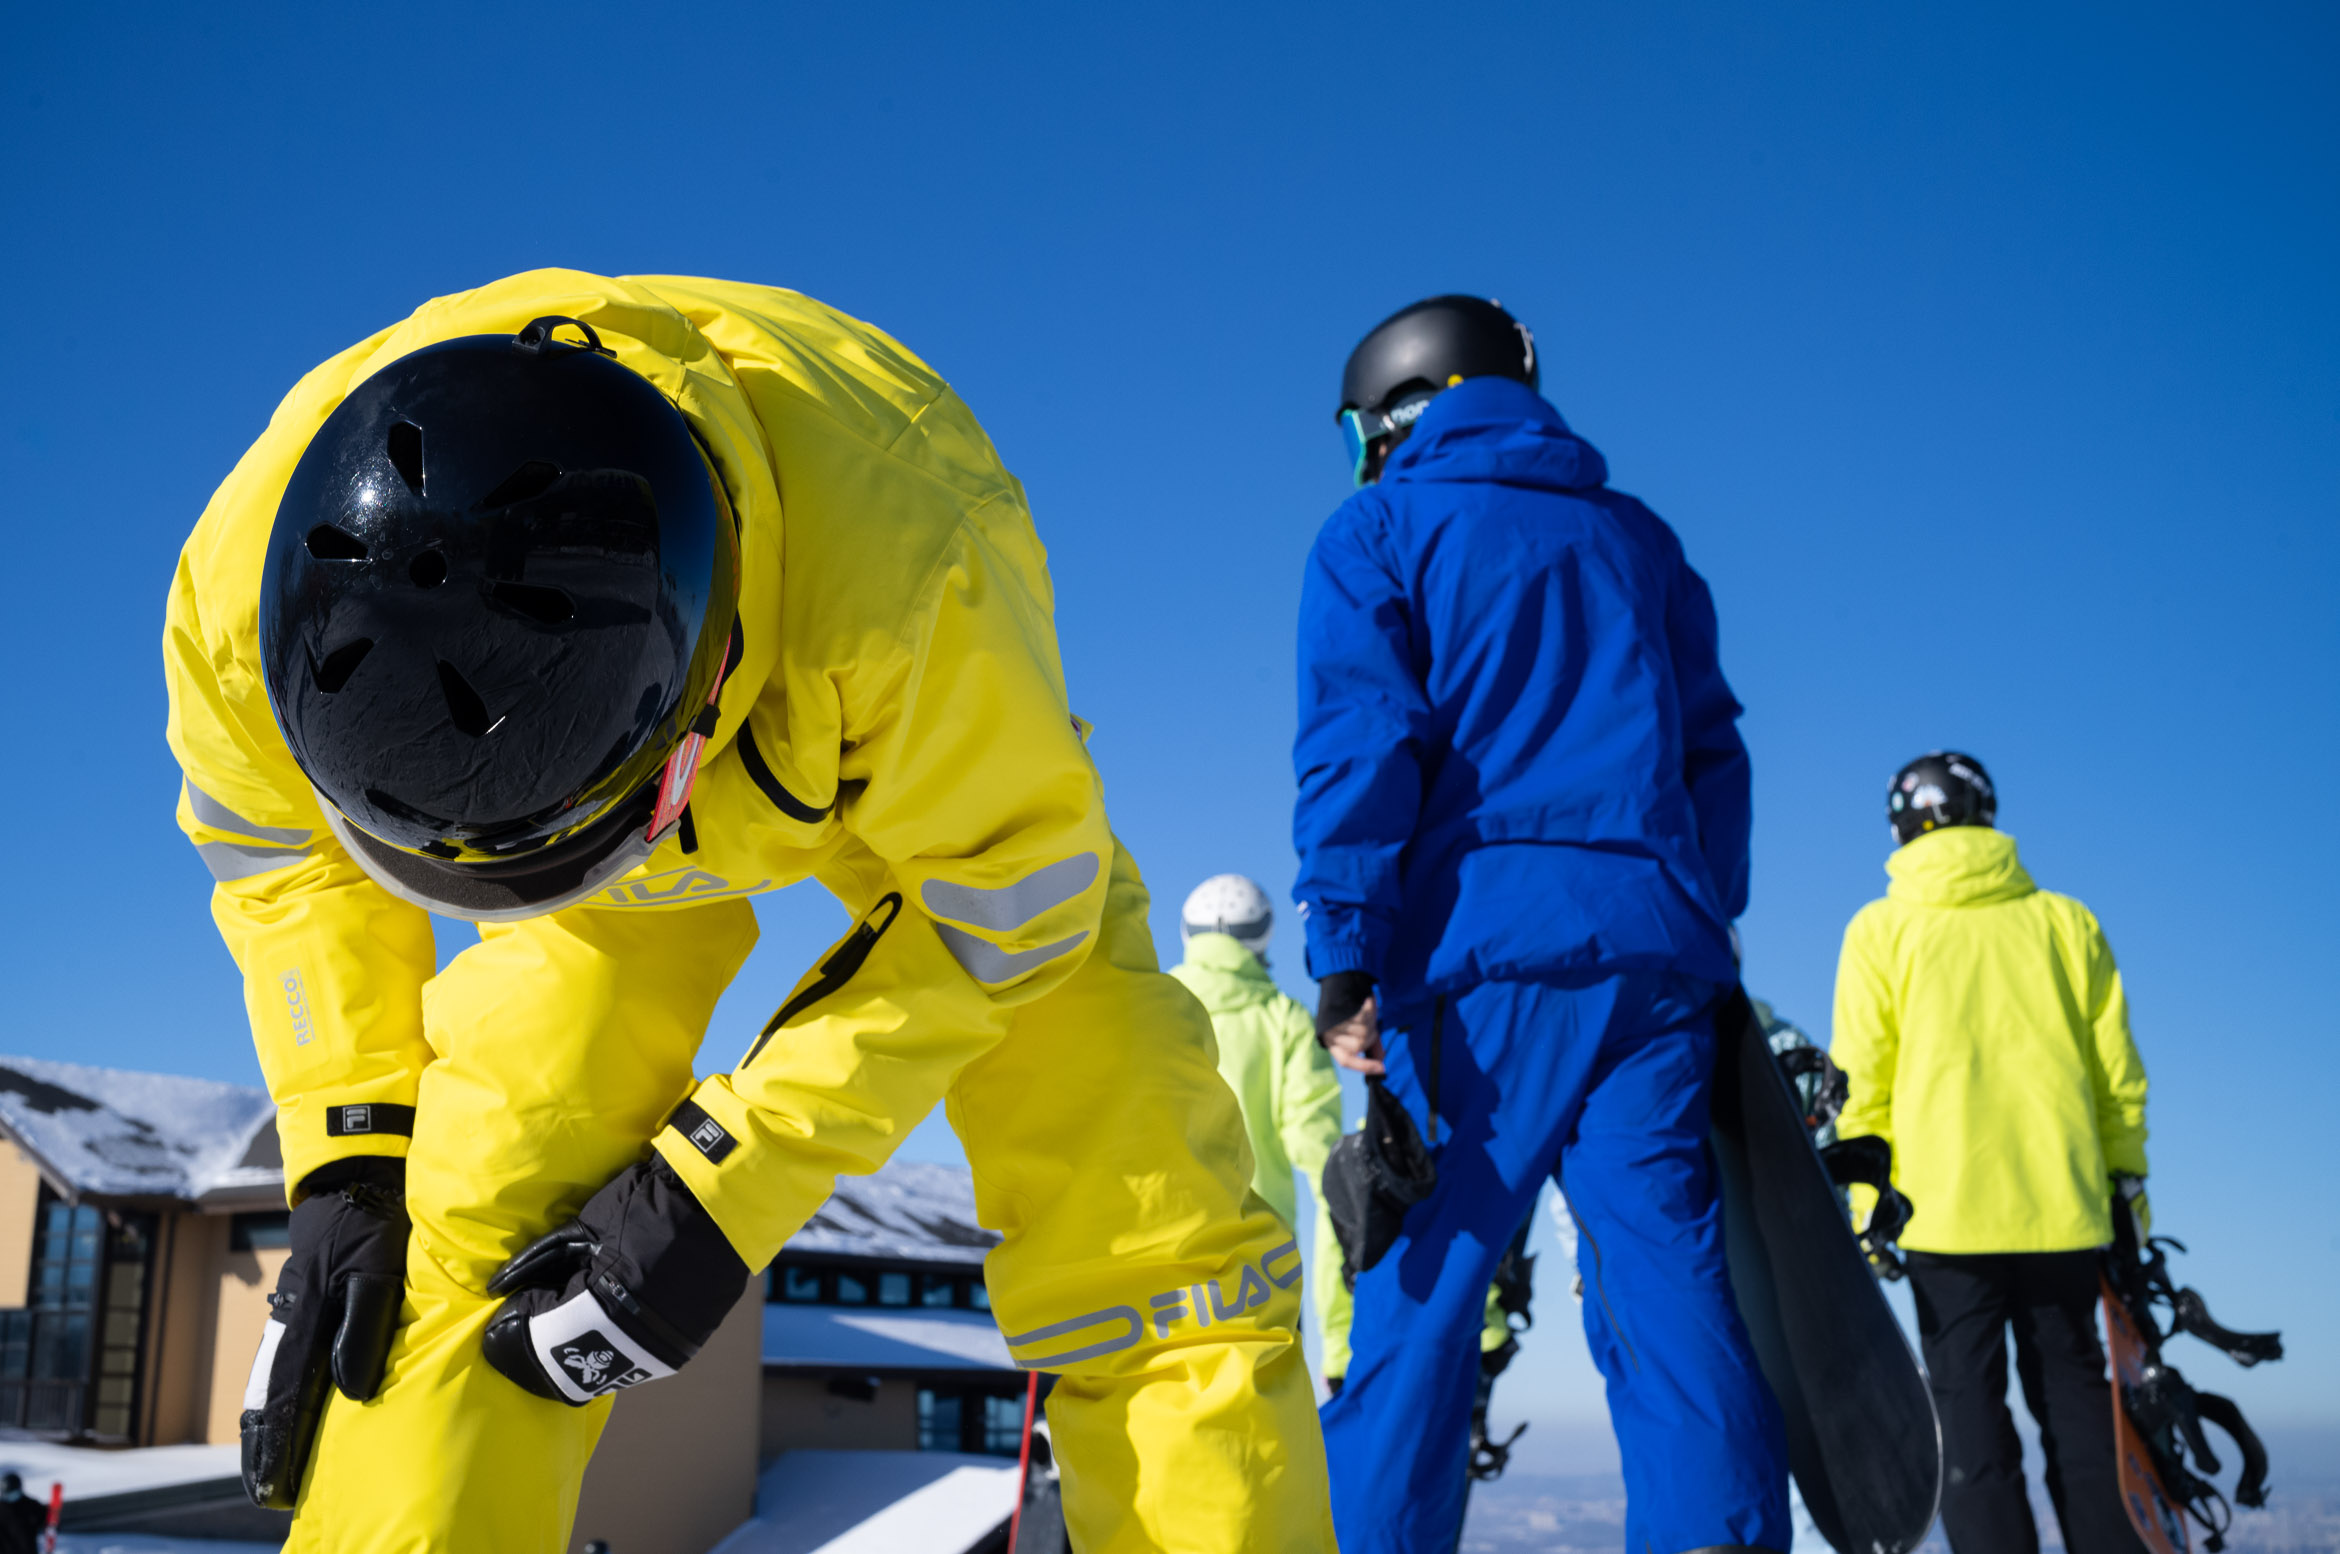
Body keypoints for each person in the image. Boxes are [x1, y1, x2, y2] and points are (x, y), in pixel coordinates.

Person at [163, 271, 1333, 1553]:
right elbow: (276, 867)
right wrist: (343, 1149)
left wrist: (724, 1191)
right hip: (601, 774)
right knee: (470, 1211)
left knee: (1146, 1221)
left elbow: (1012, 906)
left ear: (702, 715)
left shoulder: (917, 595)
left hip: (913, 769)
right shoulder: (241, 607)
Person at [1295, 294, 1788, 1553]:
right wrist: (1694, 919)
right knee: (1668, 1298)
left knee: (1421, 1305)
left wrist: (1346, 956)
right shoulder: (1641, 540)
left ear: (1400, 407)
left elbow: (1361, 747)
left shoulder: (1379, 530)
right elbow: (1712, 752)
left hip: (1479, 969)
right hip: (1655, 964)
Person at [1832, 751, 2150, 1554]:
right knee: (2081, 1414)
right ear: (1987, 815)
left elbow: (1861, 1087)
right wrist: (2128, 1198)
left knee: (1968, 1427)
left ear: (1901, 825)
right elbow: (2119, 1082)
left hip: (1942, 1218)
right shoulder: (2065, 923)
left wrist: (1869, 1213)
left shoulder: (1879, 929)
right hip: (2065, 1212)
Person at [1168, 876, 1351, 1386]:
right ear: (1264, 937)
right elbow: (1329, 1178)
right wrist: (1339, 1348)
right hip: (1261, 1267)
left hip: (1158, 1260)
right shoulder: (1286, 1022)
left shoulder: (1149, 1015)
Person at [0, 1473, 42, 1554]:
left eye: (12, 1493)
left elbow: (46, 1521)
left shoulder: (31, 1505)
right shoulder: (1, 1509)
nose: (9, 1497)